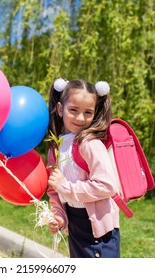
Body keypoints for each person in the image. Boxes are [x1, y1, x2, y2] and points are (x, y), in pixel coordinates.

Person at [46, 78, 120, 258]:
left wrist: (66, 187)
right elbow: (55, 191)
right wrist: (59, 217)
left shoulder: (90, 144)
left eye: (88, 112)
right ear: (60, 109)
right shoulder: (56, 147)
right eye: (73, 110)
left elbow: (107, 186)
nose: (80, 118)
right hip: (75, 225)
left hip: (98, 231)